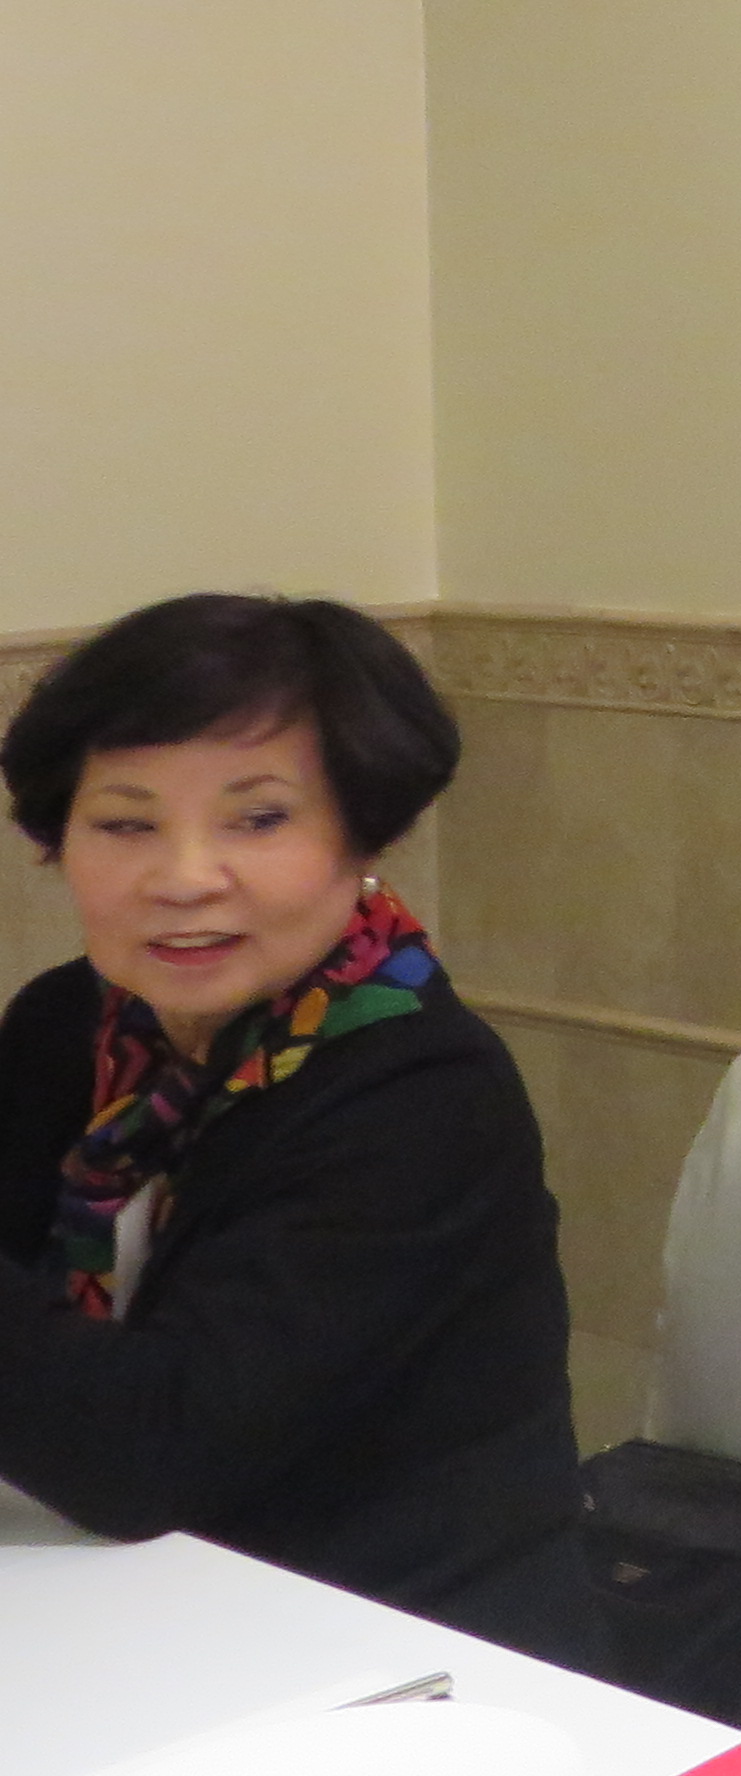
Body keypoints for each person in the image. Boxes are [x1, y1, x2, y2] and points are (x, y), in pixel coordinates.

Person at [0, 595, 592, 1659]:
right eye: (126, 824)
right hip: (131, 1611)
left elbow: (152, 1451)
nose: (184, 878)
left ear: (363, 835)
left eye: (259, 819)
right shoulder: (66, 1024)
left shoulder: (420, 1092)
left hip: (403, 1658)